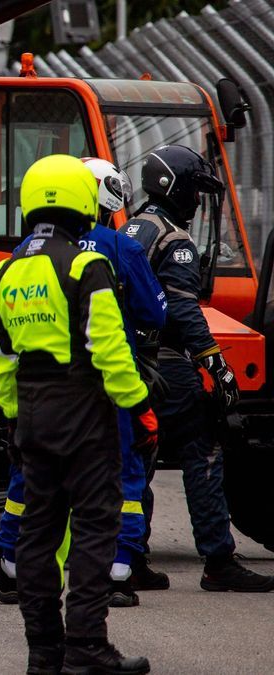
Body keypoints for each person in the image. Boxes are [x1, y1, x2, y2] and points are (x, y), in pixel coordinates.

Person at [0, 154, 154, 674]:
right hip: (85, 412)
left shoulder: (4, 271)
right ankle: (86, 647)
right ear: (84, 202)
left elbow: (2, 360)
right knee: (94, 529)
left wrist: (15, 418)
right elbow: (109, 348)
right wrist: (140, 406)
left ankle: (43, 651)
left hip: (32, 415)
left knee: (38, 531)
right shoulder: (87, 265)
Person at [121, 144, 274, 593]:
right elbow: (183, 310)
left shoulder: (130, 229)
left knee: (140, 462)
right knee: (203, 447)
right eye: (194, 190)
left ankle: (131, 559)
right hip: (167, 365)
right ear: (174, 188)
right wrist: (217, 364)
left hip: (131, 363)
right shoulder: (175, 239)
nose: (197, 200)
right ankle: (219, 561)